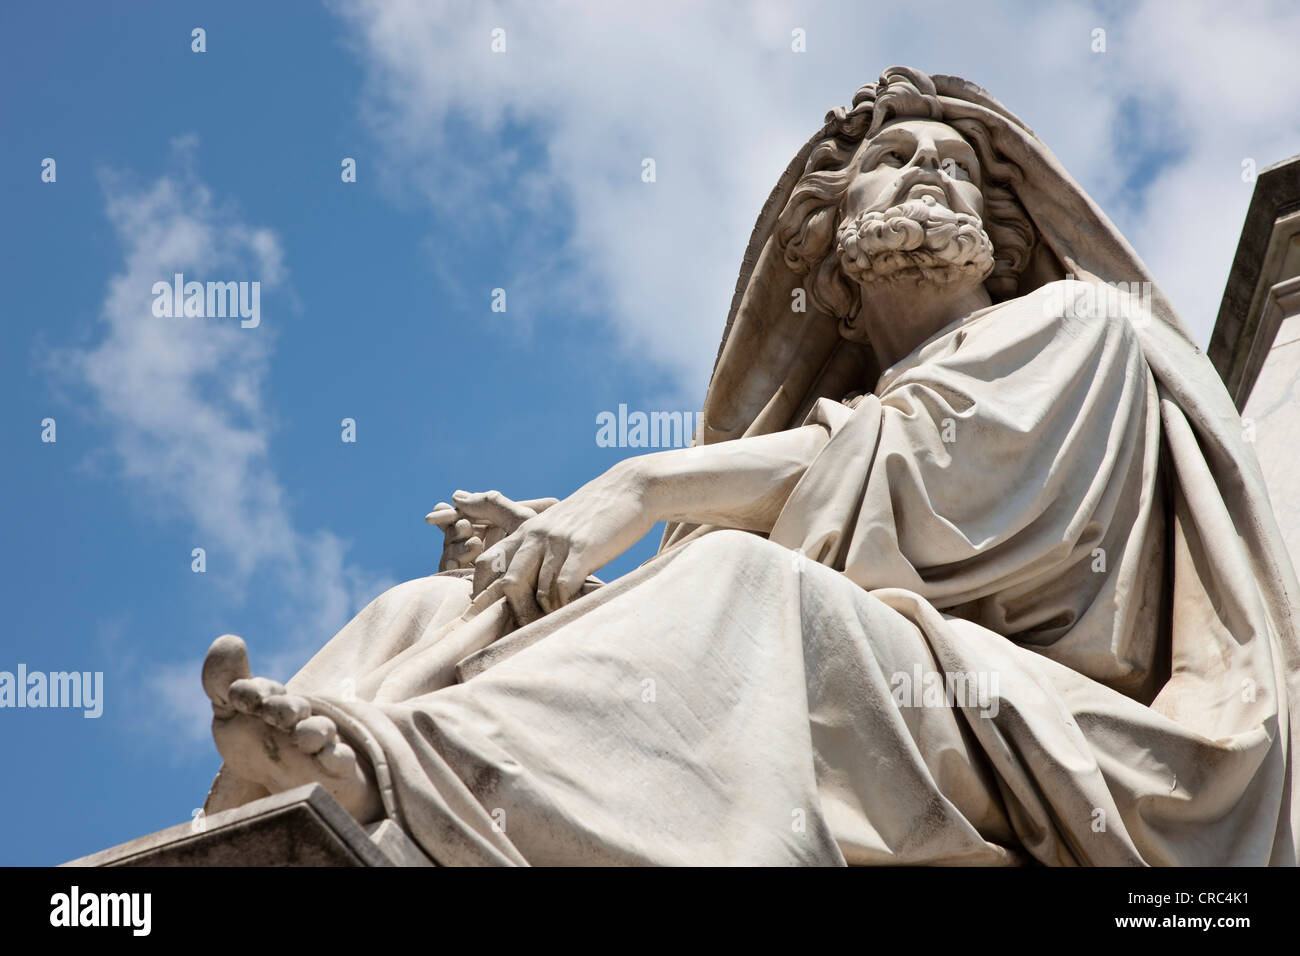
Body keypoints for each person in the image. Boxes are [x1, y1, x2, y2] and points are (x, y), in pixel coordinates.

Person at [200, 67, 1300, 866]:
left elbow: (919, 484)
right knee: (427, 608)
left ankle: (402, 774)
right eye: (892, 158)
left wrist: (642, 485)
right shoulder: (832, 421)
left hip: (1027, 721)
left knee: (744, 583)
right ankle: (273, 793)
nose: (930, 174)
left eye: (959, 167)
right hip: (874, 682)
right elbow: (790, 534)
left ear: (1003, 236)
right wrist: (535, 572)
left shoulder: (1075, 324)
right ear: (823, 241)